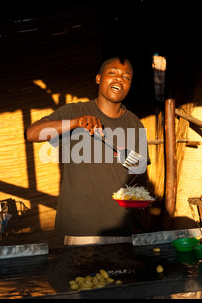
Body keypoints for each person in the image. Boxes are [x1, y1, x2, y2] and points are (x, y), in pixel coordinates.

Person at [26, 57, 149, 245]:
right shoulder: (75, 111)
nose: (119, 80)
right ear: (98, 79)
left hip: (119, 229)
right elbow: (32, 133)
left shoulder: (134, 124)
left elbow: (138, 173)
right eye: (112, 73)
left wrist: (139, 196)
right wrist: (76, 123)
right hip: (79, 229)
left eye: (126, 77)